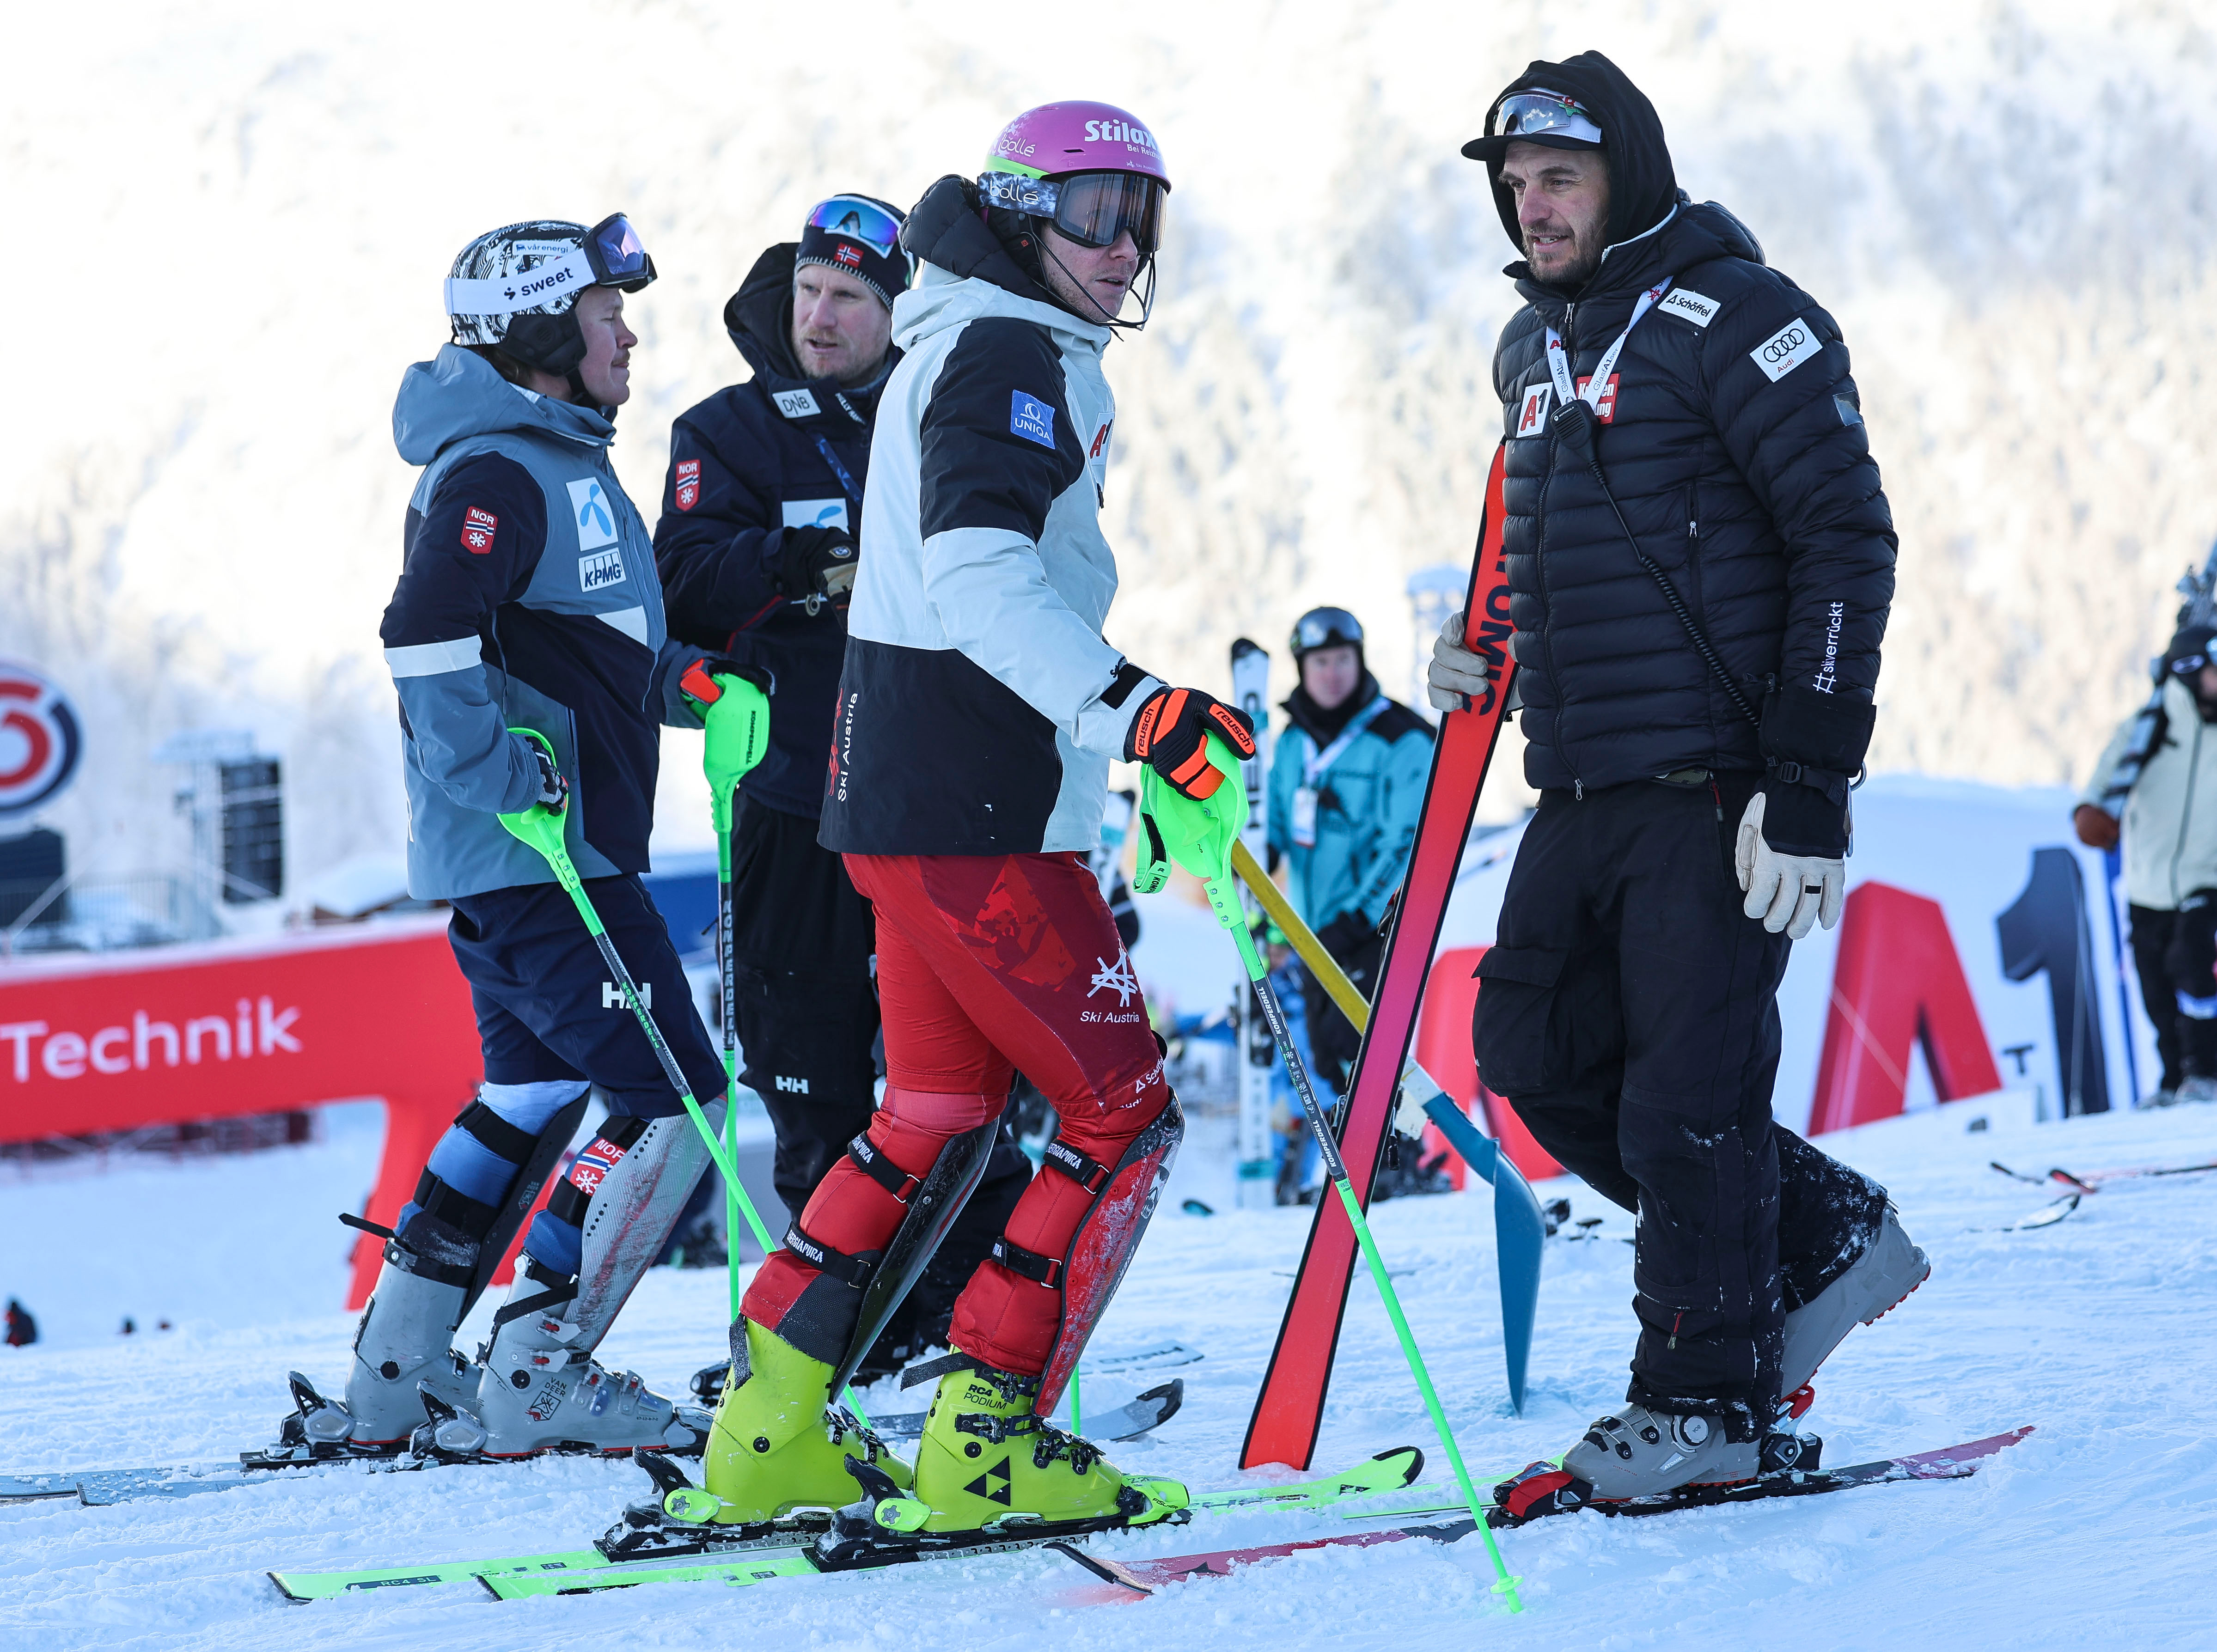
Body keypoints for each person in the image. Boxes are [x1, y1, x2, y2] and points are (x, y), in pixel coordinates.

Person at [698, 102, 1255, 1540]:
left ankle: (769, 1428)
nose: (1123, 245)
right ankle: (989, 1438)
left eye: (1142, 215)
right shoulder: (1006, 346)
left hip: (905, 792)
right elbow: (978, 574)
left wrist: (1117, 724)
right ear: (1018, 213)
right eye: (1093, 211)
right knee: (1123, 1111)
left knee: (932, 1111)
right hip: (975, 805)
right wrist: (1139, 711)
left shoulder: (966, 331)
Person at [1428, 55, 1925, 1509]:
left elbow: (1845, 542)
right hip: (1576, 780)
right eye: (1514, 185)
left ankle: (1707, 1401)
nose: (1532, 207)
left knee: (1684, 1102)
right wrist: (1479, 651)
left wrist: (1809, 779)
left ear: (1627, 175)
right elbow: (1548, 556)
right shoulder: (1529, 350)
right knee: (1527, 1049)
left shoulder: (1746, 317)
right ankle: (1818, 1233)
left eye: (1559, 179)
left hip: (1721, 786)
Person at [267, 216, 756, 1465]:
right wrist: (498, 780)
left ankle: (396, 1377)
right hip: (547, 857)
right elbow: (424, 632)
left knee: (528, 1092)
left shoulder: (557, 458)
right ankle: (540, 1368)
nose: (628, 333)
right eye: (604, 314)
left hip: (544, 854)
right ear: (542, 332)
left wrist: (686, 684)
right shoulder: (500, 468)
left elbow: (578, 648)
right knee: (681, 1102)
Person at [654, 195, 1032, 1372]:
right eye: (810, 290)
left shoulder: (938, 404)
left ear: (894, 313)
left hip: (933, 794)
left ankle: (966, 1323)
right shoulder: (724, 430)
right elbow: (679, 586)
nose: (821, 316)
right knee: (809, 1078)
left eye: (851, 298)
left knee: (956, 1073)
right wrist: (785, 561)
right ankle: (832, 1334)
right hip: (791, 800)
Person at [1264, 605, 1441, 1200]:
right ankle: (1378, 1161)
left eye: (1343, 659)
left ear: (1359, 661)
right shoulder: (1293, 740)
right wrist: (1258, 854)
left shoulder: (1400, 738)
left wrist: (1359, 918)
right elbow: (1280, 823)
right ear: (1303, 668)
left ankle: (1401, 1161)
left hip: (1378, 926)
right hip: (1315, 929)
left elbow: (1408, 841)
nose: (1332, 673)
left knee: (1362, 1045)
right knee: (1329, 1050)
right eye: (1320, 661)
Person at [2075, 622, 2217, 1105]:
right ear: (2192, 670)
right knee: (2155, 986)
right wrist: (2091, 813)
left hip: (2207, 878)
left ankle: (2205, 1071)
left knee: (2193, 963)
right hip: (2147, 884)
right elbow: (2103, 782)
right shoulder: (2148, 727)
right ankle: (2174, 1078)